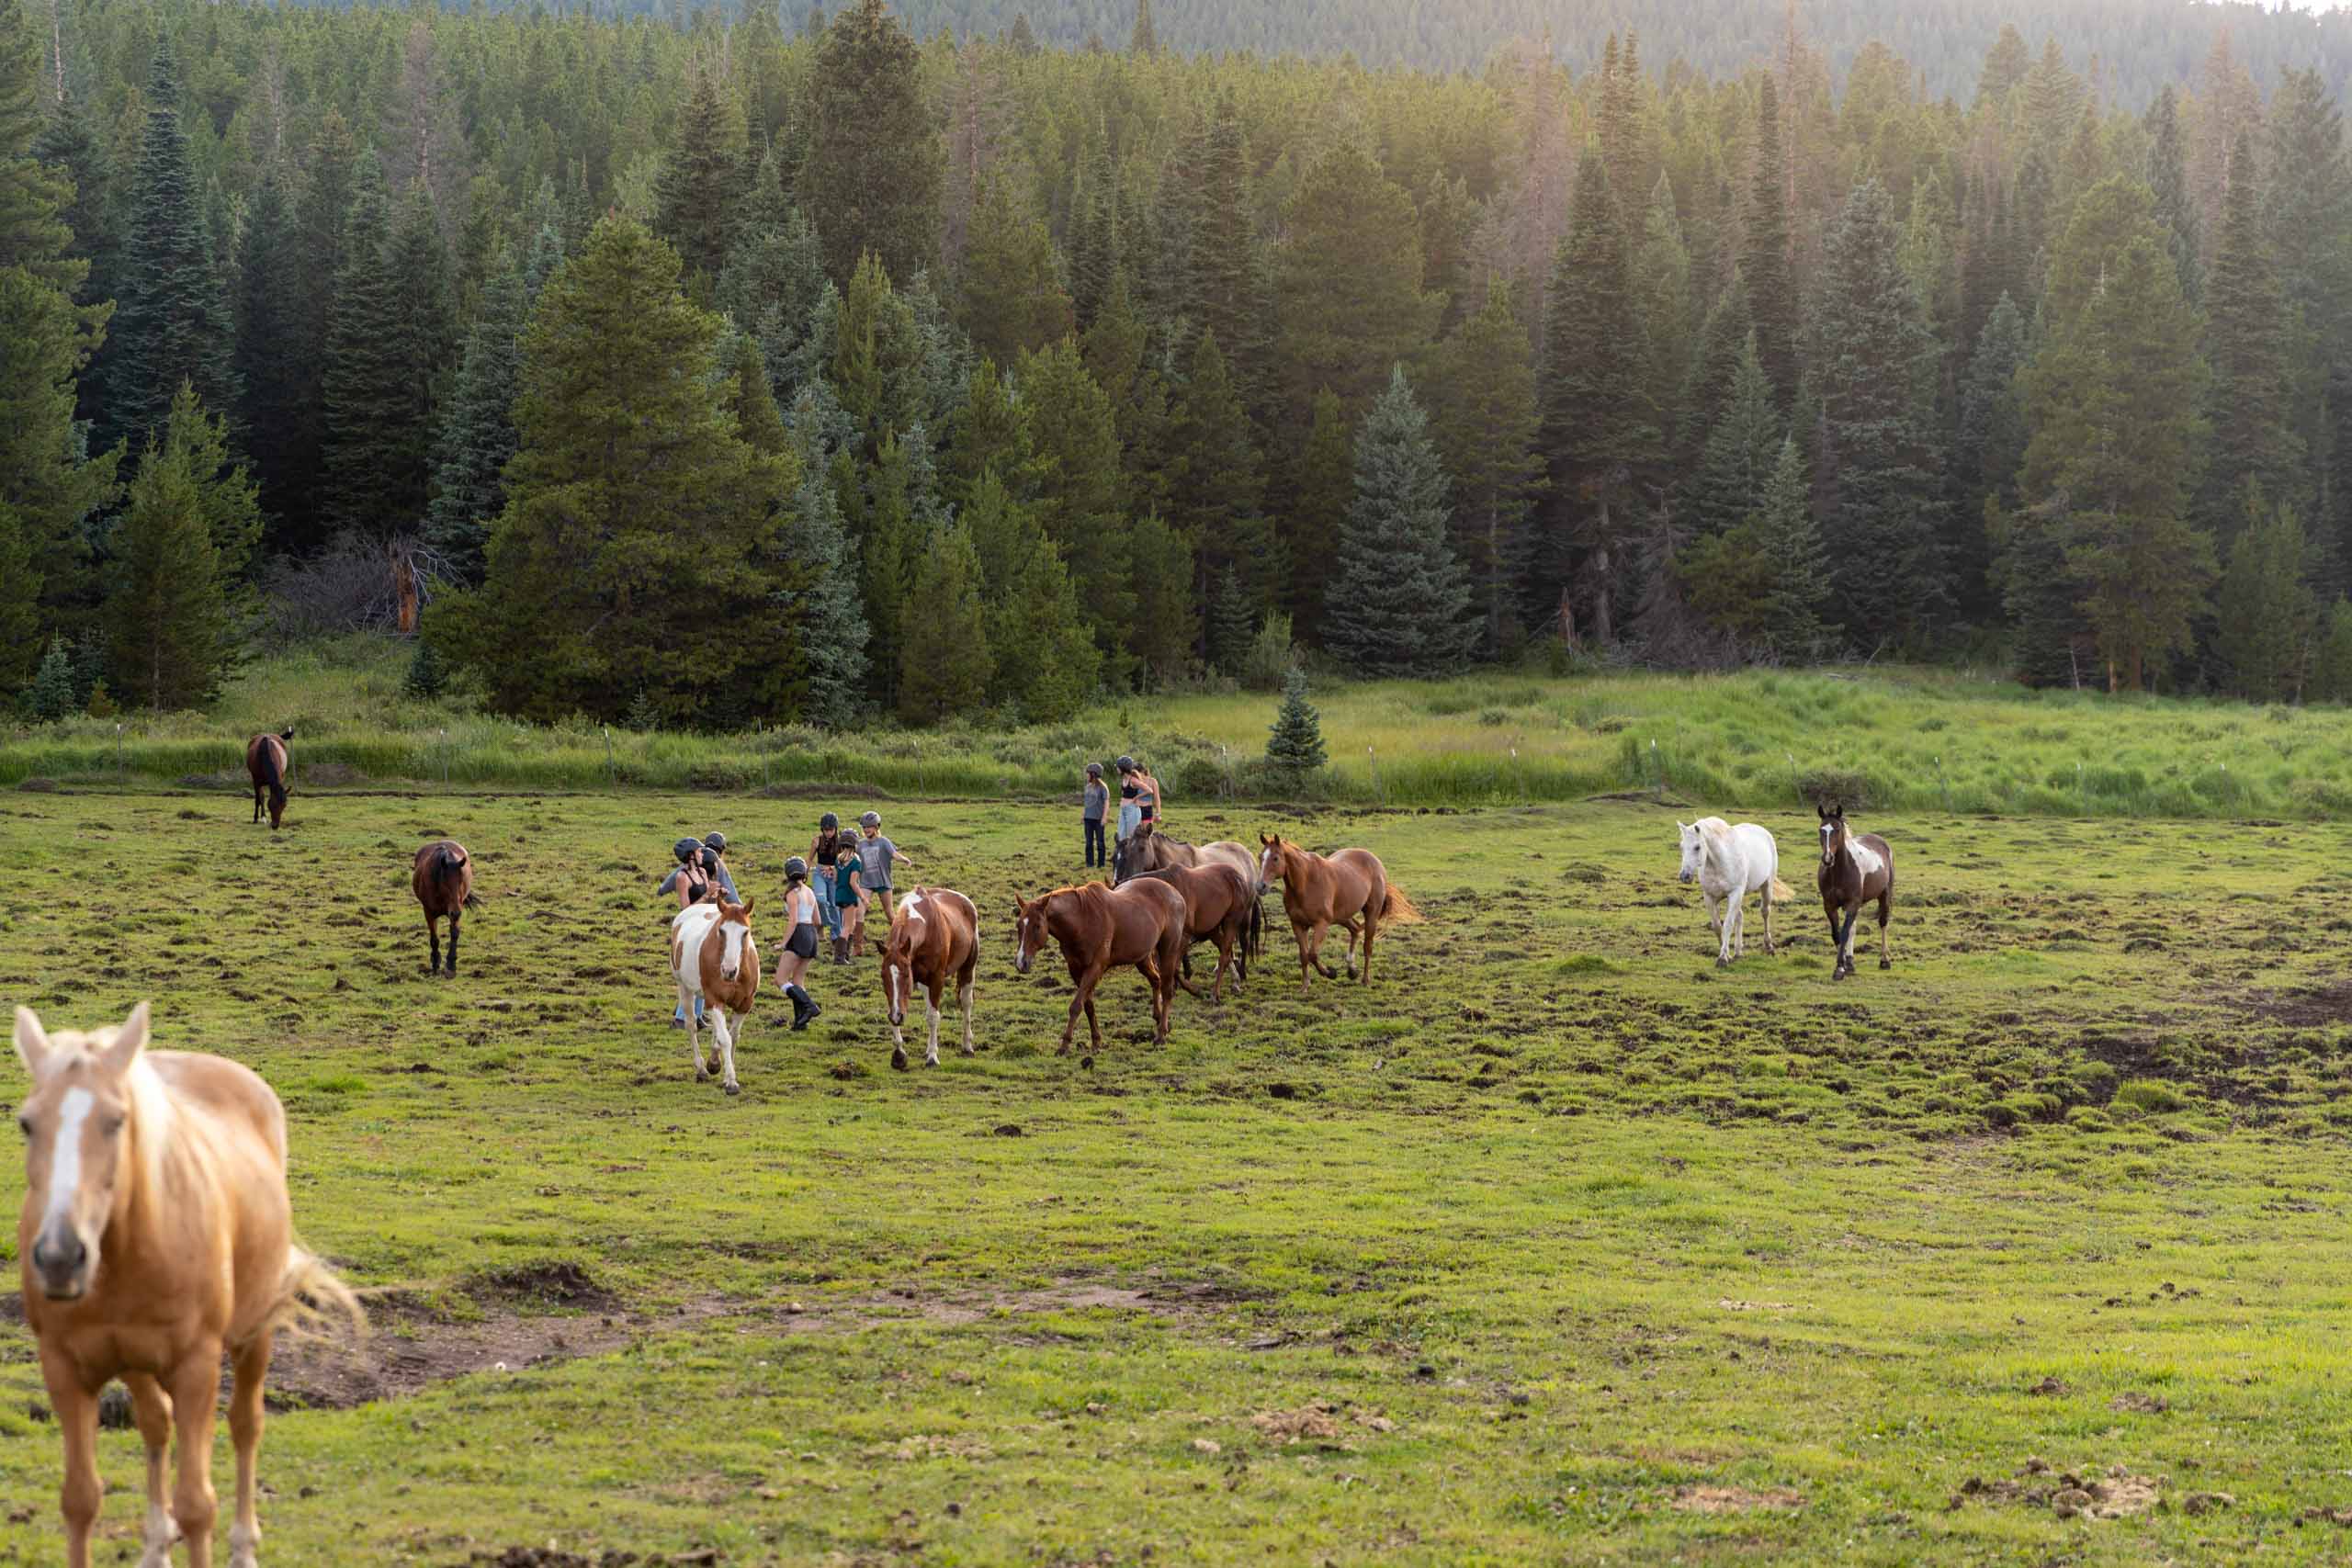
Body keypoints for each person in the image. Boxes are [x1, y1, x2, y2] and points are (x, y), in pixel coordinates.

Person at [656, 838, 713, 1027]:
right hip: (691, 925)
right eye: (699, 851)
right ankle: (682, 1017)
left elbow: (708, 896)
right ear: (690, 856)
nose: (702, 854)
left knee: (705, 968)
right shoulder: (681, 878)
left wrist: (716, 894)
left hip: (705, 921)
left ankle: (697, 1015)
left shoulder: (702, 871)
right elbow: (685, 909)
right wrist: (706, 896)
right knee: (691, 973)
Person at [774, 856, 824, 1031]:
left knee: (780, 980)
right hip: (811, 934)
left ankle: (810, 1006)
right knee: (798, 981)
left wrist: (783, 943)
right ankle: (800, 1022)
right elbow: (818, 920)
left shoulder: (792, 894)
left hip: (799, 934)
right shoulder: (809, 891)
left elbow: (793, 920)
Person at [856, 810, 913, 932]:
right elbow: (849, 858)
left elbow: (895, 854)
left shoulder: (883, 841)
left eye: (869, 827)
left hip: (883, 882)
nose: (866, 829)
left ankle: (901, 936)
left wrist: (905, 860)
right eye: (864, 827)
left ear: (876, 827)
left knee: (889, 912)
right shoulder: (860, 845)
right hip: (866, 883)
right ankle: (857, 946)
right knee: (859, 911)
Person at [808, 812, 848, 964]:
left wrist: (832, 868)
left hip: (834, 875)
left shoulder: (841, 842)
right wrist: (811, 869)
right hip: (820, 873)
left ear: (836, 829)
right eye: (826, 830)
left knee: (835, 905)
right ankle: (821, 926)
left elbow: (843, 861)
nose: (829, 833)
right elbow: (809, 859)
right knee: (820, 899)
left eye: (831, 830)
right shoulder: (816, 841)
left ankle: (835, 936)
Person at [835, 836, 869, 959]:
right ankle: (839, 957)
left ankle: (845, 955)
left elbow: (835, 879)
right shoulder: (855, 862)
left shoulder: (838, 860)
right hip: (849, 895)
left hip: (839, 894)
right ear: (854, 846)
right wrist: (863, 897)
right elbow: (853, 883)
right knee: (847, 926)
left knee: (851, 924)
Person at [1081, 762, 1109, 869]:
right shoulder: (1087, 787)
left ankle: (1101, 864)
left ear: (1093, 774)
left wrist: (1104, 817)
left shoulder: (1103, 787)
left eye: (1088, 773)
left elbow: (1106, 802)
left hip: (1098, 819)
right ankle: (1090, 863)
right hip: (1088, 818)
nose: (1087, 775)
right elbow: (1087, 802)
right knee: (1089, 842)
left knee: (1100, 842)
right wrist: (1084, 813)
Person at [700, 831, 739, 901]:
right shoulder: (719, 863)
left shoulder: (695, 859)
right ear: (721, 850)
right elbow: (732, 897)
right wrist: (741, 909)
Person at [1114, 755, 1142, 847]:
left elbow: (1149, 790)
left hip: (1132, 810)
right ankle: (1121, 856)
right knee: (1120, 835)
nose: (1117, 769)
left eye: (1118, 767)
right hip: (1123, 809)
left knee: (1132, 836)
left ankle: (1134, 857)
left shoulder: (1133, 780)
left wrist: (1136, 798)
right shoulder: (1123, 779)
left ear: (1123, 768)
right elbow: (1125, 793)